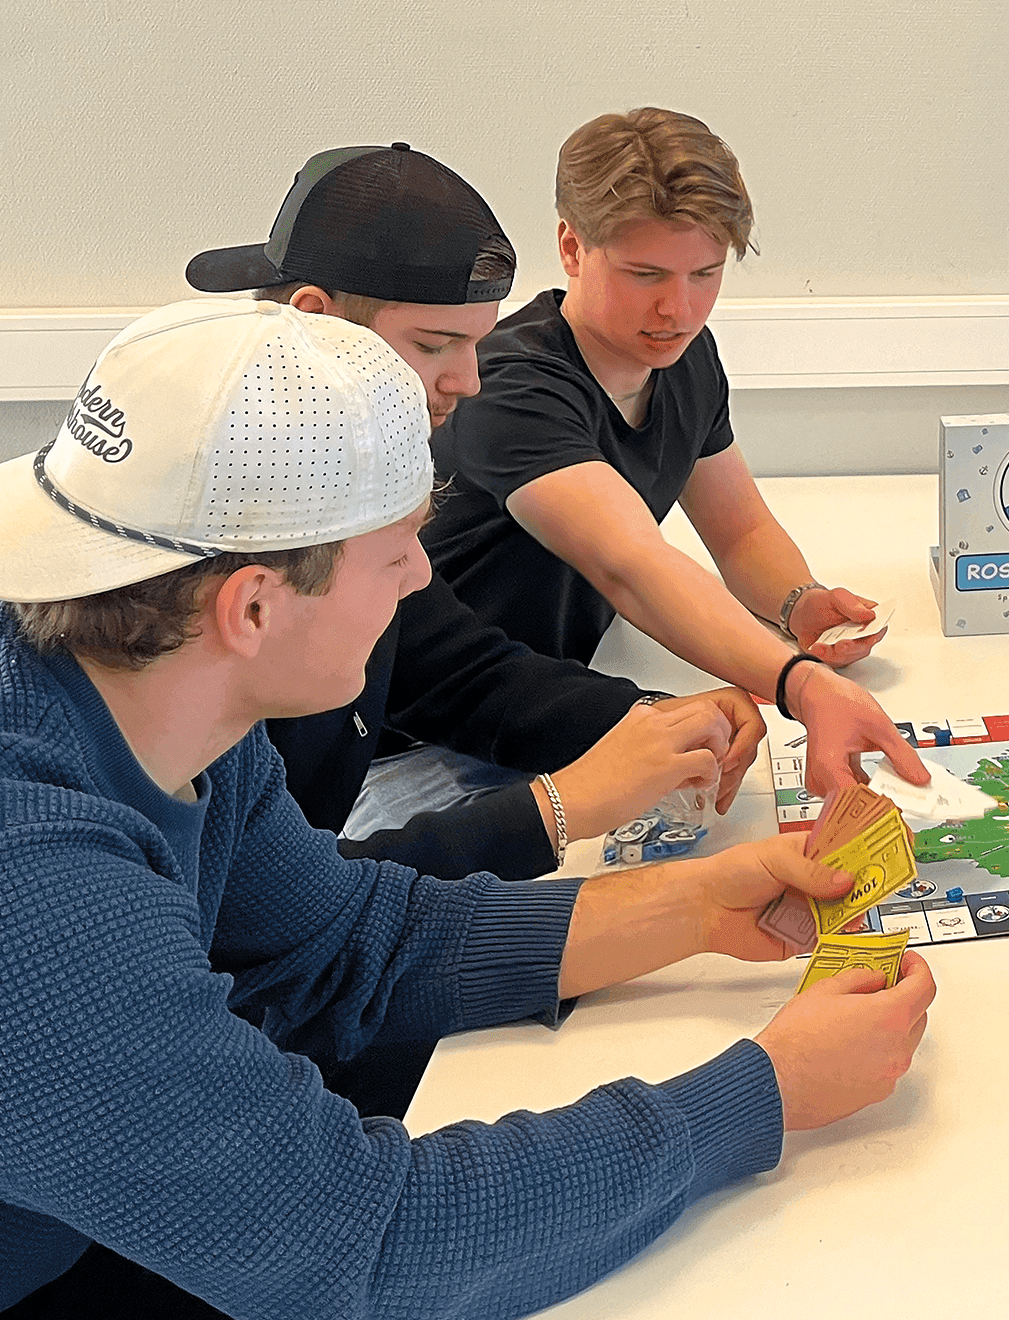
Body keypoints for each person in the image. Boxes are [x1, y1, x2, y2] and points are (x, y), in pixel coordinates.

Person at [0, 299, 936, 1318]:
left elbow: (347, 945)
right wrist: (761, 1095)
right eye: (398, 545)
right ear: (253, 606)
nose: (418, 576)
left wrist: (692, 908)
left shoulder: (168, 700)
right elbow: (363, 1249)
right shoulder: (37, 885)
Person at [186, 141, 764, 882]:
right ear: (314, 320)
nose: (468, 380)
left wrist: (646, 720)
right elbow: (275, 902)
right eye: (436, 345)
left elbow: (459, 673)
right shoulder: (220, 538)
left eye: (477, 343)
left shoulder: (343, 480)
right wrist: (562, 807)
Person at [422, 108, 921, 798]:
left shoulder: (685, 359)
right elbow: (630, 564)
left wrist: (798, 603)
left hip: (552, 697)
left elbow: (740, 529)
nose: (677, 310)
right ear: (572, 248)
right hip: (434, 734)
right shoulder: (510, 386)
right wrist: (796, 683)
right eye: (645, 274)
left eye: (704, 275)